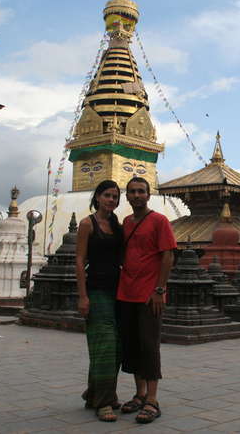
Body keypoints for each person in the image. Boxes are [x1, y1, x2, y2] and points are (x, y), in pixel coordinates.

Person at [117, 177, 176, 424]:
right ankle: (139, 394)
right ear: (127, 197)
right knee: (132, 345)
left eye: (141, 191)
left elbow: (167, 256)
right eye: (132, 192)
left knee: (149, 346)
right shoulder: (126, 223)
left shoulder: (159, 221)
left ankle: (152, 399)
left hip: (150, 294)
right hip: (125, 292)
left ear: (148, 195)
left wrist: (159, 290)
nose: (137, 195)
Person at [75, 180, 123, 422]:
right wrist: (83, 296)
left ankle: (96, 392)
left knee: (116, 348)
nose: (111, 200)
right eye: (107, 196)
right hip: (96, 291)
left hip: (118, 292)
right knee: (104, 345)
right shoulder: (87, 224)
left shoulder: (117, 225)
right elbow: (80, 261)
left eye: (115, 197)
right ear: (97, 197)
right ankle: (104, 402)